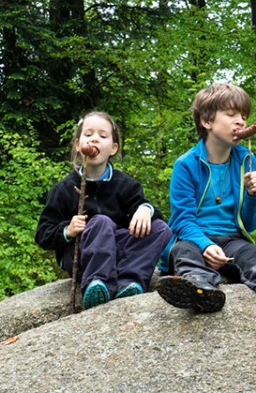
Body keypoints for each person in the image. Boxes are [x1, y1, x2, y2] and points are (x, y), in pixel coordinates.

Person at [157, 83, 256, 313]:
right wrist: (206, 245)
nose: (241, 122)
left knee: (253, 253)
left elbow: (251, 224)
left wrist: (255, 196)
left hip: (231, 239)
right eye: (231, 114)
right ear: (207, 121)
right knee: (183, 252)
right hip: (194, 239)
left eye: (243, 116)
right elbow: (183, 221)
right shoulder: (186, 164)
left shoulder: (247, 160)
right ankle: (198, 287)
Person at [35, 111, 173, 310]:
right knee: (101, 221)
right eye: (88, 134)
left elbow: (154, 218)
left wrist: (145, 209)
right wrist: (68, 230)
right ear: (77, 144)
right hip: (82, 257)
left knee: (160, 228)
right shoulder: (63, 190)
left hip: (119, 253)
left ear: (113, 148)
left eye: (102, 136)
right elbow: (42, 234)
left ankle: (129, 282)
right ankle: (97, 284)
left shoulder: (125, 185)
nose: (94, 139)